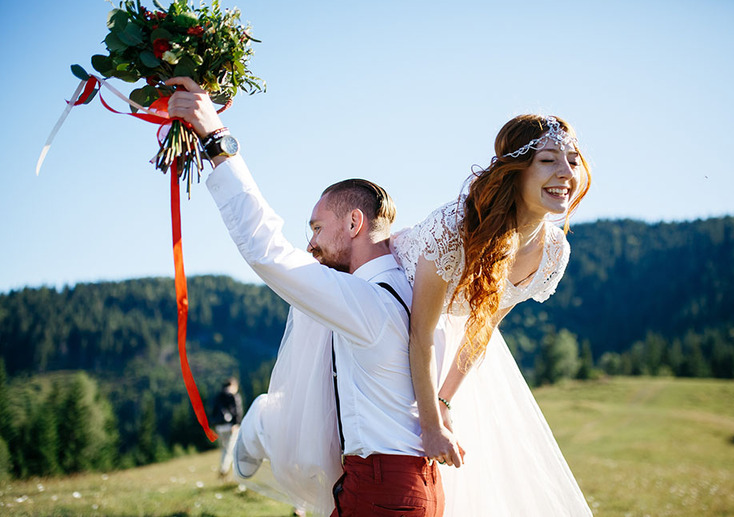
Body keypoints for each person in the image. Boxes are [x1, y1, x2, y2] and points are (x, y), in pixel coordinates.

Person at [166, 77, 445, 516]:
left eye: (317, 228)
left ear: (354, 223)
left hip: (383, 490)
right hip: (400, 485)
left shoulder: (366, 301)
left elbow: (267, 251)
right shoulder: (409, 289)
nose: (310, 243)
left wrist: (215, 138)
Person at [390, 114, 594, 515]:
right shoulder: (455, 227)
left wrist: (445, 401)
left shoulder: (553, 252)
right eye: (549, 160)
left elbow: (484, 326)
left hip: (446, 341)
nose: (567, 173)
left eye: (572, 159)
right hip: (391, 315)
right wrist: (430, 424)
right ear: (516, 171)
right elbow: (420, 333)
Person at [210, 377, 244, 480]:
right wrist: (236, 424)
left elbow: (213, 411)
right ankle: (225, 470)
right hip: (230, 426)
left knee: (224, 449)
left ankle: (225, 471)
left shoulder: (218, 396)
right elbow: (238, 410)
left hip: (220, 426)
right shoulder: (234, 396)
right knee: (231, 449)